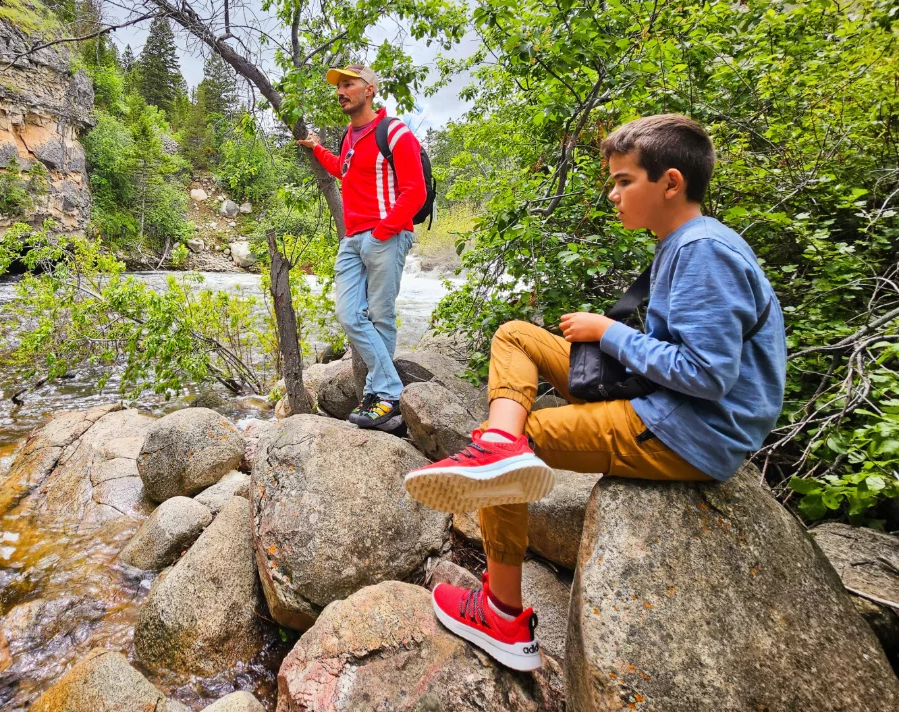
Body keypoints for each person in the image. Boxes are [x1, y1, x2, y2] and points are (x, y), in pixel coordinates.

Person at [403, 114, 786, 672]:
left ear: (671, 183)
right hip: (664, 399)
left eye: (624, 181)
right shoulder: (685, 242)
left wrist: (611, 333)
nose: (612, 194)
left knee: (523, 444)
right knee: (515, 337)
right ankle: (499, 444)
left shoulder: (705, 252)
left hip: (690, 429)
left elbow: (709, 374)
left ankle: (501, 612)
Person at [296, 64, 427, 433]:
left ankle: (380, 396)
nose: (341, 91)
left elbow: (414, 191)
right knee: (350, 314)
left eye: (348, 84)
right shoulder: (350, 137)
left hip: (385, 235)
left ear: (369, 89)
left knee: (381, 317)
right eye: (338, 86)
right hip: (352, 240)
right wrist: (318, 149)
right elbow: (344, 170)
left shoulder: (395, 132)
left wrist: (383, 232)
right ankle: (387, 390)